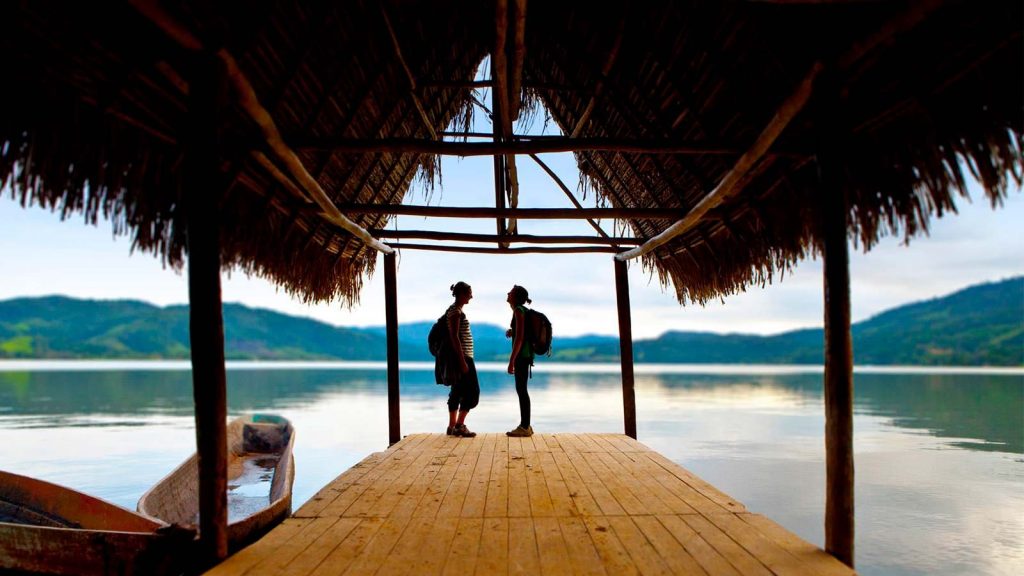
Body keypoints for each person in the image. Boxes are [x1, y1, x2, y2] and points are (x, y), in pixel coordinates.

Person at [444, 281, 478, 438]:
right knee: (472, 392)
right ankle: (459, 425)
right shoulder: (456, 312)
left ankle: (452, 426)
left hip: (461, 357)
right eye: (469, 293)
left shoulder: (453, 311)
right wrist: (463, 361)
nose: (471, 296)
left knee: (457, 391)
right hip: (463, 357)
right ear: (462, 294)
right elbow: (454, 338)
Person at [505, 285, 534, 437]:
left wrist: (511, 360)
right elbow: (521, 332)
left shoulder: (518, 310)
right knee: (522, 390)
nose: (508, 293)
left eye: (510, 292)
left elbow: (520, 338)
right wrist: (513, 331)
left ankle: (525, 426)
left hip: (522, 356)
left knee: (521, 390)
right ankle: (526, 425)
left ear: (515, 297)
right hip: (526, 355)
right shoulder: (523, 311)